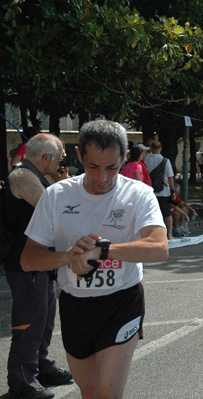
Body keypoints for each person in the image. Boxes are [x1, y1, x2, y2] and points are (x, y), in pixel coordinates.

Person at [20, 120, 168, 399]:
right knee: (88, 391)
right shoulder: (56, 196)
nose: (102, 178)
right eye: (93, 167)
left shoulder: (138, 193)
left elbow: (159, 247)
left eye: (112, 167)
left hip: (122, 302)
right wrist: (68, 256)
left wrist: (102, 251)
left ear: (124, 157)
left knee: (107, 394)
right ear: (79, 156)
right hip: (76, 305)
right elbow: (28, 259)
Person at [4, 134, 72, 399]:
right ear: (46, 158)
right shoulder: (23, 177)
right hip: (24, 263)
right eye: (59, 158)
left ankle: (40, 366)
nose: (61, 163)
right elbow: (54, 211)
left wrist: (60, 177)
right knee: (28, 322)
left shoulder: (40, 174)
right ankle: (21, 380)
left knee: (43, 320)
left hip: (42, 261)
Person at [145, 141, 176, 239]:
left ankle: (151, 235)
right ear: (161, 148)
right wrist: (172, 191)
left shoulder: (146, 159)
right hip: (163, 191)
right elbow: (170, 177)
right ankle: (169, 234)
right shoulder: (165, 161)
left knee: (151, 214)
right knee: (167, 213)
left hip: (150, 190)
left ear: (151, 148)